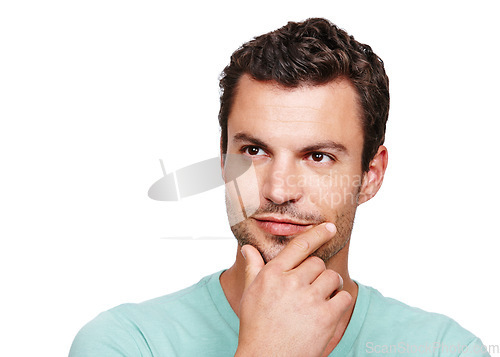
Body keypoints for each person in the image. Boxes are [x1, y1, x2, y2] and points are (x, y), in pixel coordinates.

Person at [69, 18, 490, 356]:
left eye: (318, 156)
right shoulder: (126, 343)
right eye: (254, 151)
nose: (278, 190)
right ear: (223, 160)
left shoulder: (445, 349)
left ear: (371, 175)